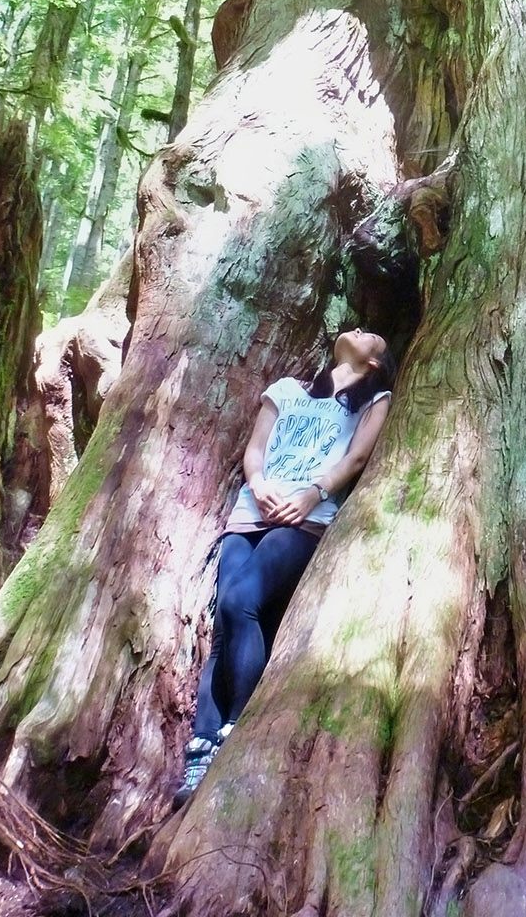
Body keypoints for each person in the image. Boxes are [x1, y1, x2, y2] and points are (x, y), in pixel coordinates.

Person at [173, 327, 396, 807]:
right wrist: (257, 485)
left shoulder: (374, 398)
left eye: (368, 333)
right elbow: (255, 450)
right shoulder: (287, 391)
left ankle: (234, 732)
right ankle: (200, 751)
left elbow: (357, 457)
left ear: (376, 360)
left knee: (240, 601)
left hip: (305, 519)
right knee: (226, 627)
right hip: (250, 512)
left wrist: (314, 492)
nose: (357, 329)